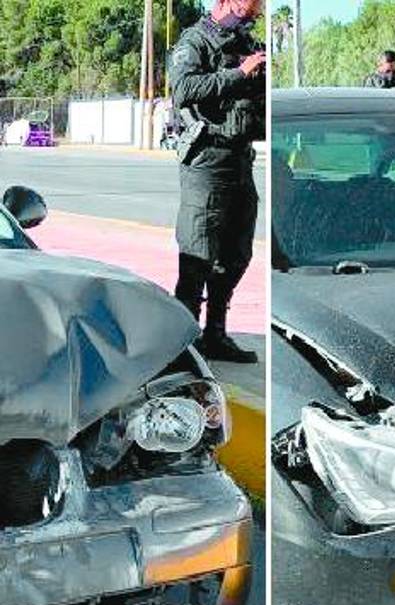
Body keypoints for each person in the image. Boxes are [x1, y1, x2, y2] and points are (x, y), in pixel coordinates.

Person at [169, 0, 265, 363]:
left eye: (257, 9)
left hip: (240, 159)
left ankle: (215, 335)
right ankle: (182, 346)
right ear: (224, 2)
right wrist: (240, 74)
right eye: (248, 6)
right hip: (206, 160)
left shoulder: (246, 42)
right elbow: (184, 90)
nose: (253, 13)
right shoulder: (195, 41)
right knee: (197, 254)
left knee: (236, 254)